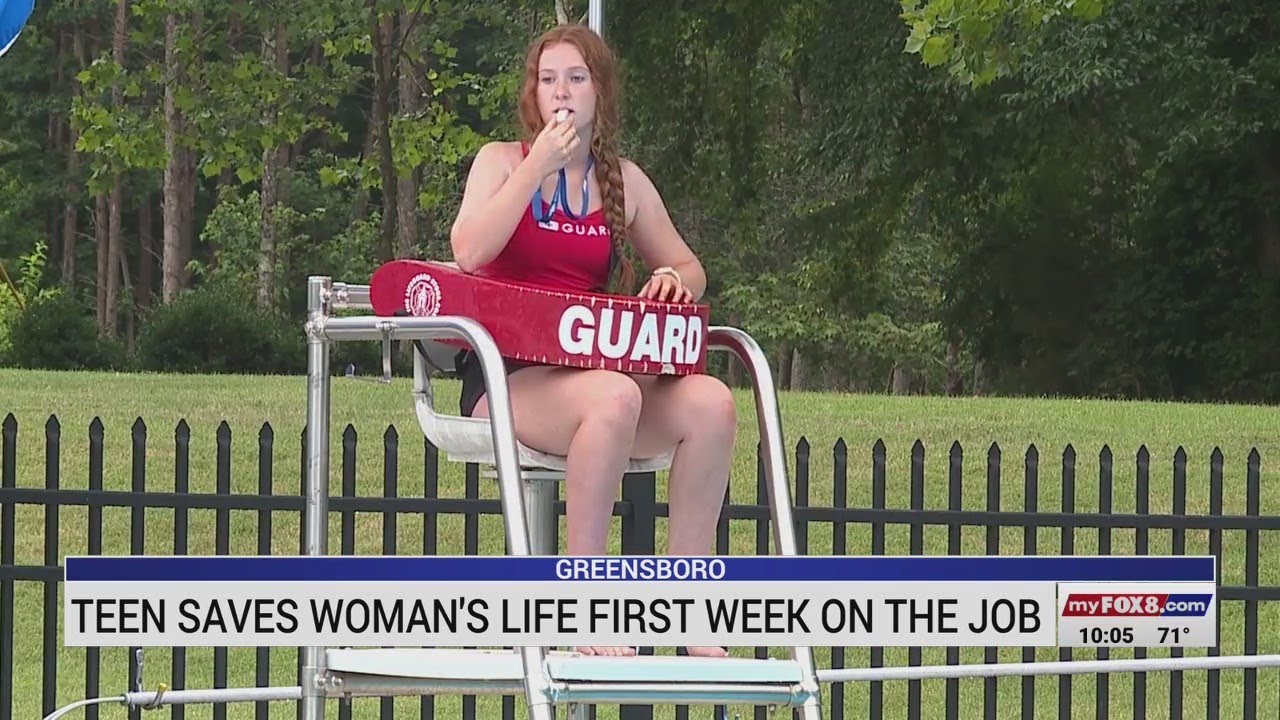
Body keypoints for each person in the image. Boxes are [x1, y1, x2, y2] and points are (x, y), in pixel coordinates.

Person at [448, 24, 736, 658]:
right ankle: (584, 607)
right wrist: (537, 168)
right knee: (612, 397)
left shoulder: (622, 182)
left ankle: (690, 608)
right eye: (548, 79)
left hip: (588, 372)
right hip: (505, 376)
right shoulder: (500, 161)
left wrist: (669, 277)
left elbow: (691, 268)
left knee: (712, 402)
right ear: (533, 94)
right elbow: (468, 251)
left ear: (599, 93)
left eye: (575, 79)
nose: (561, 93)